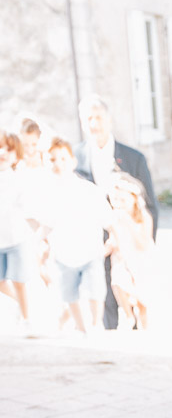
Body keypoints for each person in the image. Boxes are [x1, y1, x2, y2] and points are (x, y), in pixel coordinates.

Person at [75, 96, 158, 330]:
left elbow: (150, 205)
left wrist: (144, 245)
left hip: (130, 245)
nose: (93, 124)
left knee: (135, 301)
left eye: (98, 118)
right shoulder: (74, 158)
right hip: (95, 242)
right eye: (88, 119)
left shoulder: (134, 158)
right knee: (103, 300)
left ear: (108, 120)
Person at [38, 138, 110, 333]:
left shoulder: (89, 190)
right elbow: (45, 226)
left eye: (63, 158)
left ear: (73, 161)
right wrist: (40, 250)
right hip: (63, 254)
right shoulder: (47, 194)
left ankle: (95, 326)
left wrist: (113, 241)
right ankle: (82, 329)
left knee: (95, 290)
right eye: (52, 160)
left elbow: (108, 220)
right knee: (69, 294)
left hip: (90, 250)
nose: (58, 164)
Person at [106, 172, 155, 330]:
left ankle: (144, 326)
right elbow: (112, 241)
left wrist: (128, 223)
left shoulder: (144, 217)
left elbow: (143, 243)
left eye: (123, 200)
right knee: (118, 282)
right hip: (122, 259)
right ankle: (128, 315)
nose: (119, 204)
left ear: (133, 199)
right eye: (116, 200)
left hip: (141, 260)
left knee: (143, 301)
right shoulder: (114, 217)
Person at [0, 130, 33, 329]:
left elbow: (26, 208)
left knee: (19, 280)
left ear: (16, 155)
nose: (3, 152)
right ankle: (18, 306)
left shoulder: (18, 179)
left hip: (16, 238)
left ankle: (26, 317)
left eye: (9, 149)